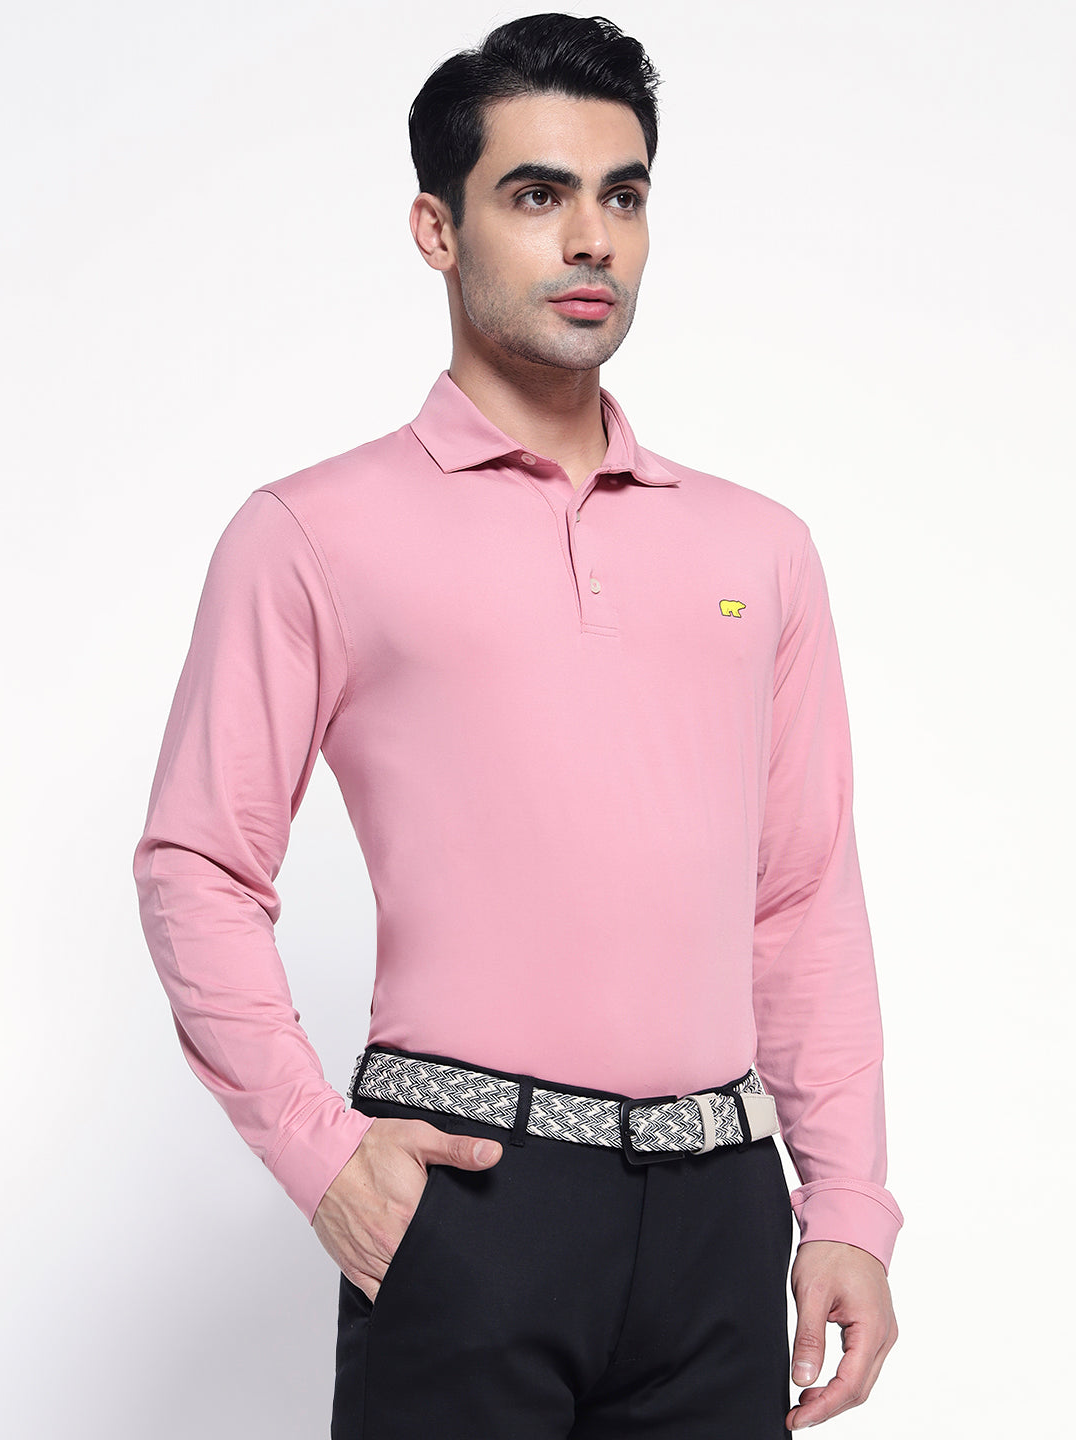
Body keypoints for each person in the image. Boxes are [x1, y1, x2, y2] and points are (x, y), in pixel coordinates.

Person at [133, 13, 903, 1438]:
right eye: (537, 194)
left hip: (723, 1214)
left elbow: (800, 896)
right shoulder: (312, 532)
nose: (592, 238)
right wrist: (320, 1155)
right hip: (471, 1194)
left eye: (624, 194)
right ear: (438, 228)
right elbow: (198, 864)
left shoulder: (760, 548)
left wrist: (846, 1200)